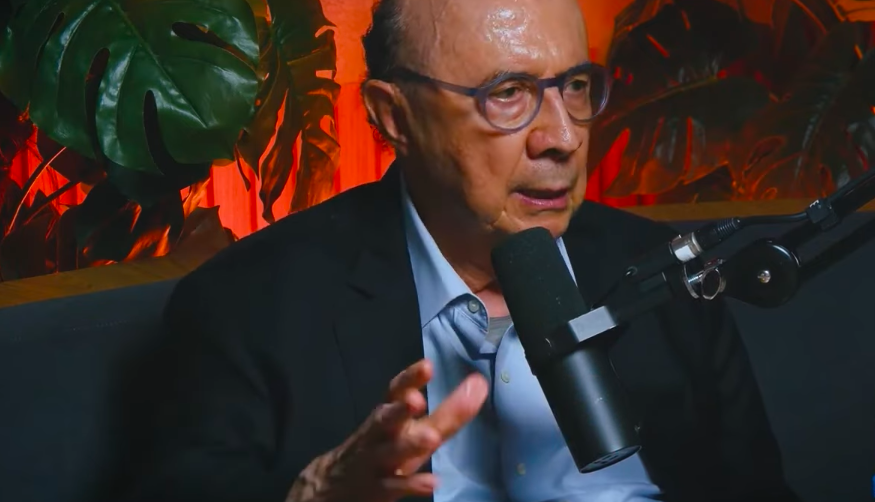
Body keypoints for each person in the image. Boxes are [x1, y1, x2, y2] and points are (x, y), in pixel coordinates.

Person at [126, 0, 801, 501]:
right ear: (394, 116)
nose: (563, 137)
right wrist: (314, 497)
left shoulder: (668, 273)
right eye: (507, 94)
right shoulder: (250, 305)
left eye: (573, 86)